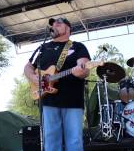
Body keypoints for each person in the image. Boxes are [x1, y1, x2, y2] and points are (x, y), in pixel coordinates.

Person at [24, 17, 90, 151]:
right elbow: (28, 67)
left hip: (73, 101)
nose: (54, 26)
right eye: (53, 25)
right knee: (51, 141)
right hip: (48, 102)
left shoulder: (77, 46)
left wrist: (81, 71)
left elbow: (85, 68)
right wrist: (32, 77)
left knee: (74, 141)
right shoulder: (43, 47)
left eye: (59, 24)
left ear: (68, 29)